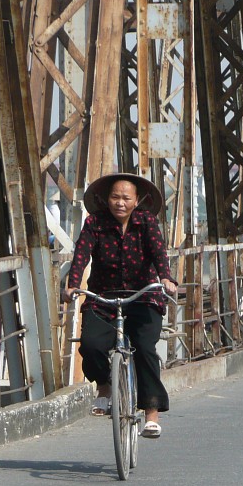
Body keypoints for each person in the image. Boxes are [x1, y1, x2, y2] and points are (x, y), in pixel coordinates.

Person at [62, 173, 178, 439]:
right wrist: (73, 284)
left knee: (145, 349)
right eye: (115, 197)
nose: (120, 203)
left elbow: (158, 252)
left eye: (126, 198)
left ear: (137, 201)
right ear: (106, 199)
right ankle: (104, 385)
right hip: (104, 296)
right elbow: (81, 253)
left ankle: (151, 413)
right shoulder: (94, 223)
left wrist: (165, 278)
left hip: (143, 296)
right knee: (90, 345)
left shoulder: (147, 222)